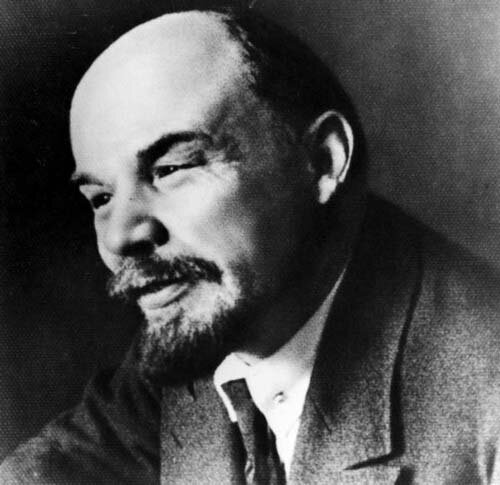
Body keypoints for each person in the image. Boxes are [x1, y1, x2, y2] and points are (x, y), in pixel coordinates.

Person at [1, 7, 500, 485]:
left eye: (170, 169)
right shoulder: (205, 324)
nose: (120, 237)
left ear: (322, 161)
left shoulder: (486, 398)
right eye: (101, 198)